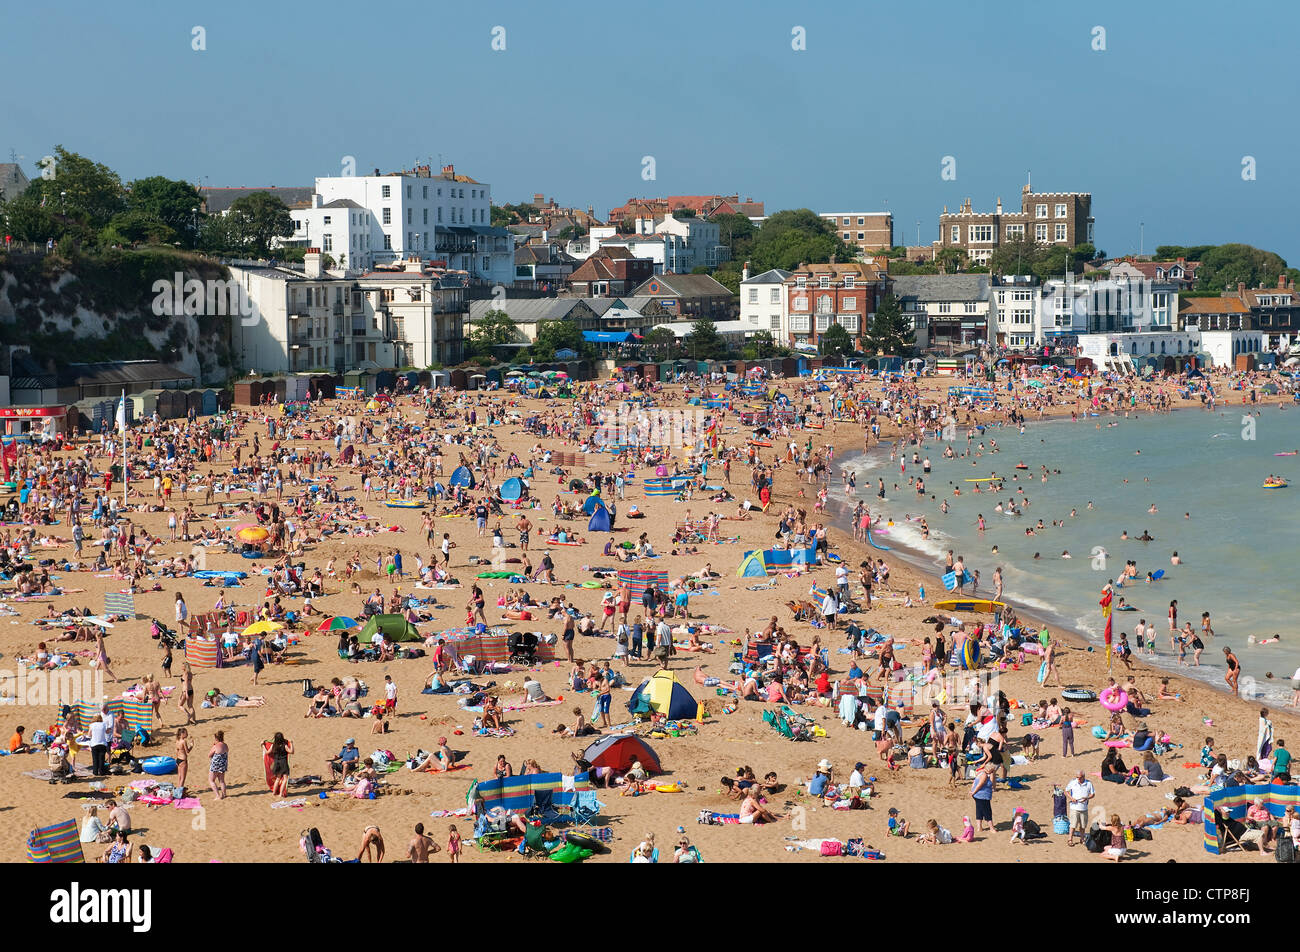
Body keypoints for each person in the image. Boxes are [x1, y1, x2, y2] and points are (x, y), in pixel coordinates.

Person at [1064, 769, 1095, 847]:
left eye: (1080, 777)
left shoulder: (1089, 783)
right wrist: (1071, 798)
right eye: (1077, 777)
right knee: (1073, 825)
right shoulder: (1073, 782)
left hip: (1084, 807)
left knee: (1083, 825)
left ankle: (1082, 839)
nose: (1078, 779)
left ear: (1083, 776)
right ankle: (1070, 839)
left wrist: (1087, 797)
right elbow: (1066, 791)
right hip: (1074, 807)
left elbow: (1093, 794)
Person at [208, 730, 228, 799]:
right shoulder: (225, 745)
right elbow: (227, 751)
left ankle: (217, 796)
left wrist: (213, 746)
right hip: (223, 765)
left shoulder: (215, 746)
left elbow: (209, 755)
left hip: (215, 765)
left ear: (216, 739)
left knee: (211, 780)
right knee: (222, 781)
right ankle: (224, 794)